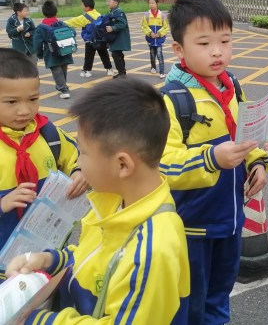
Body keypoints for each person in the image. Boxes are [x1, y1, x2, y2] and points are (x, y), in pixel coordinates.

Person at [5, 78, 191, 324]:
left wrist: (36, 320)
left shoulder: (151, 252)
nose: (78, 163)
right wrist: (47, 260)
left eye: (83, 153)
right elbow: (88, 256)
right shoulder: (111, 201)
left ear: (122, 164)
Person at [161, 0, 268, 325]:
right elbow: (164, 166)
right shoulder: (170, 101)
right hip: (192, 225)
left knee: (220, 294)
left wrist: (257, 161)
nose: (218, 52)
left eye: (225, 40)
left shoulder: (232, 85)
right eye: (205, 43)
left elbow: (245, 132)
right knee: (191, 302)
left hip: (231, 217)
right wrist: (210, 158)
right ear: (179, 49)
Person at [0, 49, 88, 284]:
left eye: (33, 99)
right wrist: (2, 203)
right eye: (11, 102)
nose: (25, 110)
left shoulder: (48, 134)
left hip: (43, 252)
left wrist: (79, 171)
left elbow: (77, 156)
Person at [33, 1, 76, 100]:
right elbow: (73, 32)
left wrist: (39, 54)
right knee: (63, 70)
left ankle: (64, 90)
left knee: (57, 71)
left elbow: (37, 43)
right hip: (65, 50)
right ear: (56, 13)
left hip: (51, 53)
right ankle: (62, 86)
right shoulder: (62, 24)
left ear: (43, 13)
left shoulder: (41, 28)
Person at [64, 0, 114, 78]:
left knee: (89, 55)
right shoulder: (99, 15)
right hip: (101, 39)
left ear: (86, 7)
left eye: (82, 5)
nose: (81, 6)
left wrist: (59, 24)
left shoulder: (84, 17)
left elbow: (71, 22)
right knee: (104, 54)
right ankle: (109, 69)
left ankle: (87, 71)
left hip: (90, 40)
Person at [141, 0, 170, 79]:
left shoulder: (162, 15)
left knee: (160, 54)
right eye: (149, 3)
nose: (151, 5)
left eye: (153, 3)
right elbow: (143, 26)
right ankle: (153, 67)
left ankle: (162, 72)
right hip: (150, 39)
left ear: (157, 4)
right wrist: (150, 33)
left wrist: (159, 33)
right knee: (152, 54)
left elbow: (166, 26)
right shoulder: (146, 15)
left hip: (159, 39)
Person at [105, 0, 131, 79]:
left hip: (119, 38)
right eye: (107, 1)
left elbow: (123, 24)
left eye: (109, 1)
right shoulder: (113, 12)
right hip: (116, 37)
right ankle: (122, 72)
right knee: (118, 54)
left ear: (116, 3)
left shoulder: (119, 13)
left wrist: (112, 28)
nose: (107, 3)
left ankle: (122, 73)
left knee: (116, 54)